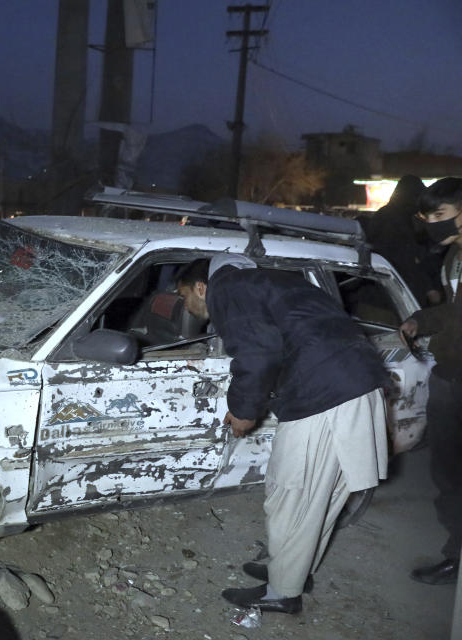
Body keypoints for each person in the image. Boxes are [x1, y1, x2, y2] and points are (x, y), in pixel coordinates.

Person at [175, 254, 389, 614]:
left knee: (290, 491)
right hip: (358, 383)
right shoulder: (269, 282)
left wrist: (243, 410)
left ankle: (282, 592)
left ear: (201, 286)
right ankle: (292, 569)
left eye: (184, 296)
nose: (187, 305)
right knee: (319, 496)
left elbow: (258, 354)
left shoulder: (228, 287)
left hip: (324, 394)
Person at [400, 176, 462, 586]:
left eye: (440, 216)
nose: (433, 225)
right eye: (427, 217)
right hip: (450, 375)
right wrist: (421, 320)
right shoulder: (453, 256)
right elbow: (454, 313)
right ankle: (456, 554)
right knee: (449, 474)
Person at [358, 175, 442, 306]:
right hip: (400, 291)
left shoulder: (386, 214)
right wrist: (429, 288)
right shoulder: (401, 219)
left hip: (380, 288)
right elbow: (405, 256)